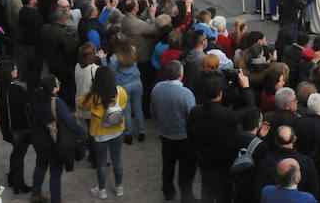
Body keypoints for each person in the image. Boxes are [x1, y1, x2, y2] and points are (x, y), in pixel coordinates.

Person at [188, 72, 256, 203]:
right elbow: (250, 110)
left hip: (203, 158)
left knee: (206, 188)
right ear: (220, 95)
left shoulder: (195, 111)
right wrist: (246, 88)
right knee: (224, 191)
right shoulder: (227, 115)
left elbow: (190, 133)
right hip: (223, 161)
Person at [29, 75, 87, 203]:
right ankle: (56, 200)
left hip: (38, 140)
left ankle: (36, 194)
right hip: (53, 142)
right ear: (54, 88)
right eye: (57, 82)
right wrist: (83, 132)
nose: (59, 84)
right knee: (55, 172)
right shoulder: (57, 103)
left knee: (40, 165)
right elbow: (69, 122)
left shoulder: (37, 98)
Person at [77, 67, 128, 199]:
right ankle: (119, 187)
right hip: (117, 129)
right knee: (117, 160)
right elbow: (123, 104)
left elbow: (80, 104)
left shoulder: (93, 97)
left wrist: (90, 89)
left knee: (101, 162)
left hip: (100, 133)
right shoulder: (120, 91)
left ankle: (102, 190)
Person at [150, 60, 197, 203]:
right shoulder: (186, 93)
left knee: (168, 166)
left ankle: (168, 193)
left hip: (165, 135)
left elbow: (153, 111)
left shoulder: (157, 88)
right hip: (183, 137)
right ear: (181, 75)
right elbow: (192, 117)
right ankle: (186, 196)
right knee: (185, 169)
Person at [0, 60, 31, 194]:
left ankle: (13, 177)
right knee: (19, 154)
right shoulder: (16, 90)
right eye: (14, 69)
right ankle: (19, 183)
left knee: (16, 152)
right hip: (19, 128)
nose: (17, 70)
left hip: (7, 127)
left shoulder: (0, 88)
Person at [108, 34, 145, 144]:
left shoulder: (115, 57)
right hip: (137, 83)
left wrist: (103, 61)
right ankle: (141, 132)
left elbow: (111, 73)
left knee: (126, 112)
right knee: (138, 108)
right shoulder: (133, 50)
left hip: (123, 86)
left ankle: (128, 135)